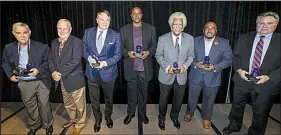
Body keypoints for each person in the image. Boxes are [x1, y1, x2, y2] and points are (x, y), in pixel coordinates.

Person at [223, 11, 280, 135]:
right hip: (242, 80)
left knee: (261, 112)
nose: (264, 26)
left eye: (269, 23)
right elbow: (235, 57)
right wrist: (239, 70)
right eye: (261, 23)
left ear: (275, 25)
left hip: (266, 84)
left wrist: (269, 77)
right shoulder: (244, 37)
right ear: (256, 24)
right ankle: (234, 125)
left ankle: (256, 132)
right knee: (236, 106)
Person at [2, 22, 53, 135]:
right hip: (23, 82)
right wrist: (10, 75)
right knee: (30, 105)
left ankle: (48, 125)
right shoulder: (8, 48)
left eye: (25, 32)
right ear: (14, 34)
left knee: (44, 105)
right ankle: (34, 125)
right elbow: (5, 63)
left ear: (29, 32)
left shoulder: (41, 46)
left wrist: (38, 69)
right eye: (18, 33)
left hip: (41, 80)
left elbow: (48, 61)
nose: (22, 36)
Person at [184, 21, 232, 129]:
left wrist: (215, 66)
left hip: (213, 77)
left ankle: (206, 117)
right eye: (207, 28)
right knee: (192, 97)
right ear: (203, 30)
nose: (209, 30)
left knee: (209, 99)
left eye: (212, 28)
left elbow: (228, 60)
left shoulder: (224, 43)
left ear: (216, 30)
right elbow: (187, 56)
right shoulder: (194, 41)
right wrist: (195, 63)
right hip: (196, 74)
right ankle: (189, 112)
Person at [82, 10, 121, 133]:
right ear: (97, 20)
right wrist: (89, 58)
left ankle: (108, 116)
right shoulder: (88, 33)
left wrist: (105, 63)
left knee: (109, 98)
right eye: (102, 19)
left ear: (110, 21)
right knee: (94, 98)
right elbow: (83, 50)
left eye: (107, 20)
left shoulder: (115, 35)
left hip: (109, 73)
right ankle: (97, 119)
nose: (105, 22)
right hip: (92, 72)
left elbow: (118, 55)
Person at [155, 12, 194, 130]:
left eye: (180, 24)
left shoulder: (190, 39)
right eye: (175, 24)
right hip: (166, 74)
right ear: (171, 25)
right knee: (163, 99)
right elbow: (158, 55)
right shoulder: (162, 39)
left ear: (183, 26)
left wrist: (185, 67)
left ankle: (174, 116)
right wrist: (167, 67)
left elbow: (191, 56)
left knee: (178, 99)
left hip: (181, 76)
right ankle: (161, 118)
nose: (177, 26)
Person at [48, 19, 86, 135]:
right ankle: (73, 120)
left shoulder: (77, 42)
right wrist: (53, 71)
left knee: (79, 105)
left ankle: (79, 124)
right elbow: (50, 59)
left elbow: (75, 61)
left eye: (65, 28)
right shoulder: (54, 42)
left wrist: (59, 73)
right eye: (60, 28)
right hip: (61, 80)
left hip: (74, 79)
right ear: (57, 29)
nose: (62, 31)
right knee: (68, 103)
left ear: (70, 29)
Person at [120, 7, 157, 125]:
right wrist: (127, 53)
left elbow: (155, 46)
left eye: (139, 13)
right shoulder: (123, 29)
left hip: (144, 69)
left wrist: (148, 52)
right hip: (131, 68)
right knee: (131, 94)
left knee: (143, 94)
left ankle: (143, 114)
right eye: (134, 14)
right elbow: (119, 47)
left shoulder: (151, 29)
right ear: (131, 16)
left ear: (142, 15)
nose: (136, 16)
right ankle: (130, 113)